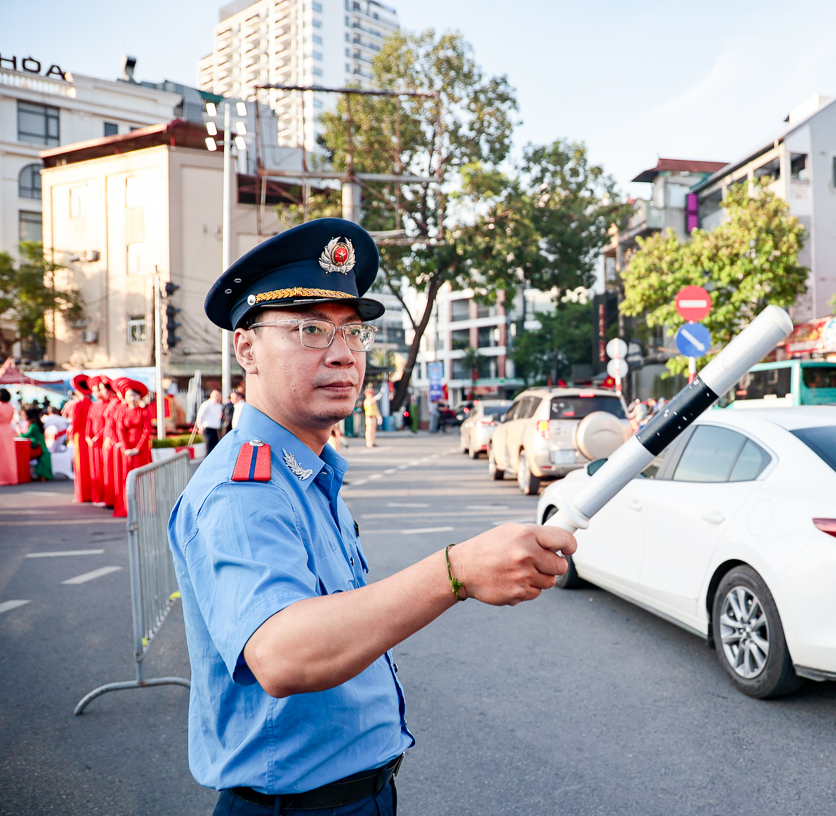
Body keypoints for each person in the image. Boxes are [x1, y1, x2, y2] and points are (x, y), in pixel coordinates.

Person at [169, 218, 576, 815]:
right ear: (246, 347)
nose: (342, 354)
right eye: (310, 330)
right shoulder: (243, 487)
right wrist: (456, 571)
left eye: (353, 333)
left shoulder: (306, 467)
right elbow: (283, 654)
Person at [113, 378, 153, 518]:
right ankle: (127, 507)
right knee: (126, 479)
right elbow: (120, 431)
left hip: (141, 450)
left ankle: (143, 508)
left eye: (135, 395)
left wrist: (138, 448)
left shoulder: (144, 412)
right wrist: (125, 448)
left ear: (139, 397)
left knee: (141, 478)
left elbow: (147, 432)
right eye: (129, 395)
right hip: (127, 450)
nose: (132, 398)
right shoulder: (123, 412)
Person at [86, 378, 113, 505]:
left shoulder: (109, 404)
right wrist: (88, 436)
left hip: (103, 441)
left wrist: (98, 436)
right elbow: (89, 422)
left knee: (105, 469)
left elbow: (108, 424)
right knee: (95, 469)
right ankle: (96, 496)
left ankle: (105, 496)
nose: (97, 393)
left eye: (99, 390)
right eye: (94, 391)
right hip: (93, 443)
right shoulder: (93, 405)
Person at [68, 374, 94, 502]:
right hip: (89, 437)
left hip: (79, 437)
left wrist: (71, 437)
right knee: (90, 465)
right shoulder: (92, 404)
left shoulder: (77, 405)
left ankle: (82, 494)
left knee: (80, 465)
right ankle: (90, 493)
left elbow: (75, 423)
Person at [21, 406, 53, 482]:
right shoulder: (35, 425)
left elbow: (24, 436)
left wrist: (16, 427)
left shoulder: (33, 426)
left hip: (39, 449)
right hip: (40, 448)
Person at [195, 390, 224, 455]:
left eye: (219, 396)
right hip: (208, 428)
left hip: (216, 429)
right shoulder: (207, 404)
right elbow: (200, 416)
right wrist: (200, 427)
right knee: (209, 447)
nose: (217, 398)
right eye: (216, 396)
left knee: (215, 447)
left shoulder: (219, 406)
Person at [0, 389, 16, 486]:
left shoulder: (1, 407)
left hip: (1, 430)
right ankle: (11, 477)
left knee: (2, 456)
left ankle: (3, 478)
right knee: (9, 455)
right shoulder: (11, 407)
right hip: (8, 430)